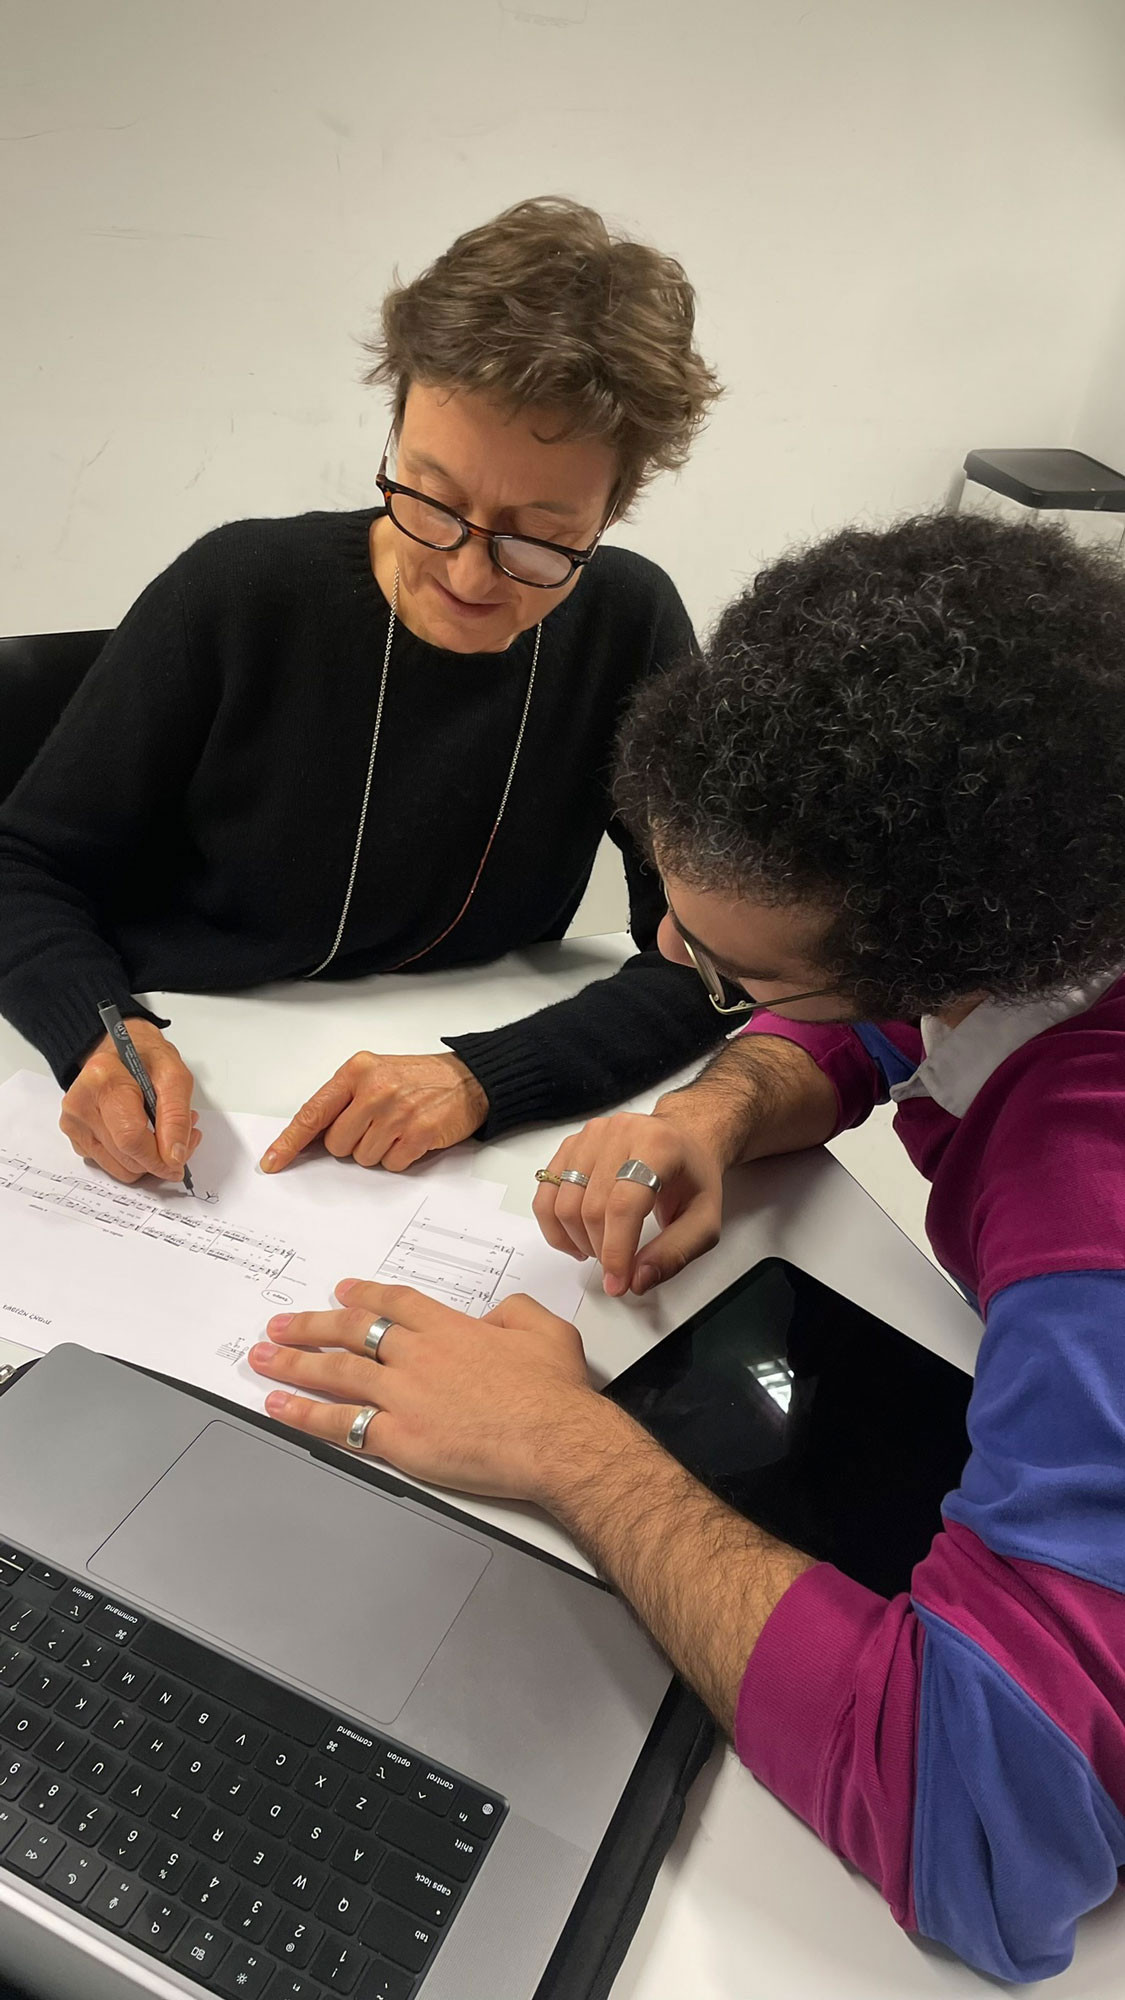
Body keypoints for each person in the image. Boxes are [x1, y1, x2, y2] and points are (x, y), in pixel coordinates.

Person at [247, 512, 1125, 1983]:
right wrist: (720, 1103)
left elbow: (987, 1833)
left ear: (961, 943)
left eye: (731, 971)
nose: (668, 958)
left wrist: (564, 1443)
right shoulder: (1055, 897)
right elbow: (878, 1024)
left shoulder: (1090, 1194)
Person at [0, 196, 725, 1186]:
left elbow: (721, 956)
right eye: (432, 496)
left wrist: (494, 1075)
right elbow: (21, 862)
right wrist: (96, 1032)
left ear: (613, 508)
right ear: (397, 426)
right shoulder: (239, 591)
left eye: (538, 538)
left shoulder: (629, 626)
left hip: (450, 1108)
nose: (467, 574)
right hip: (199, 1068)